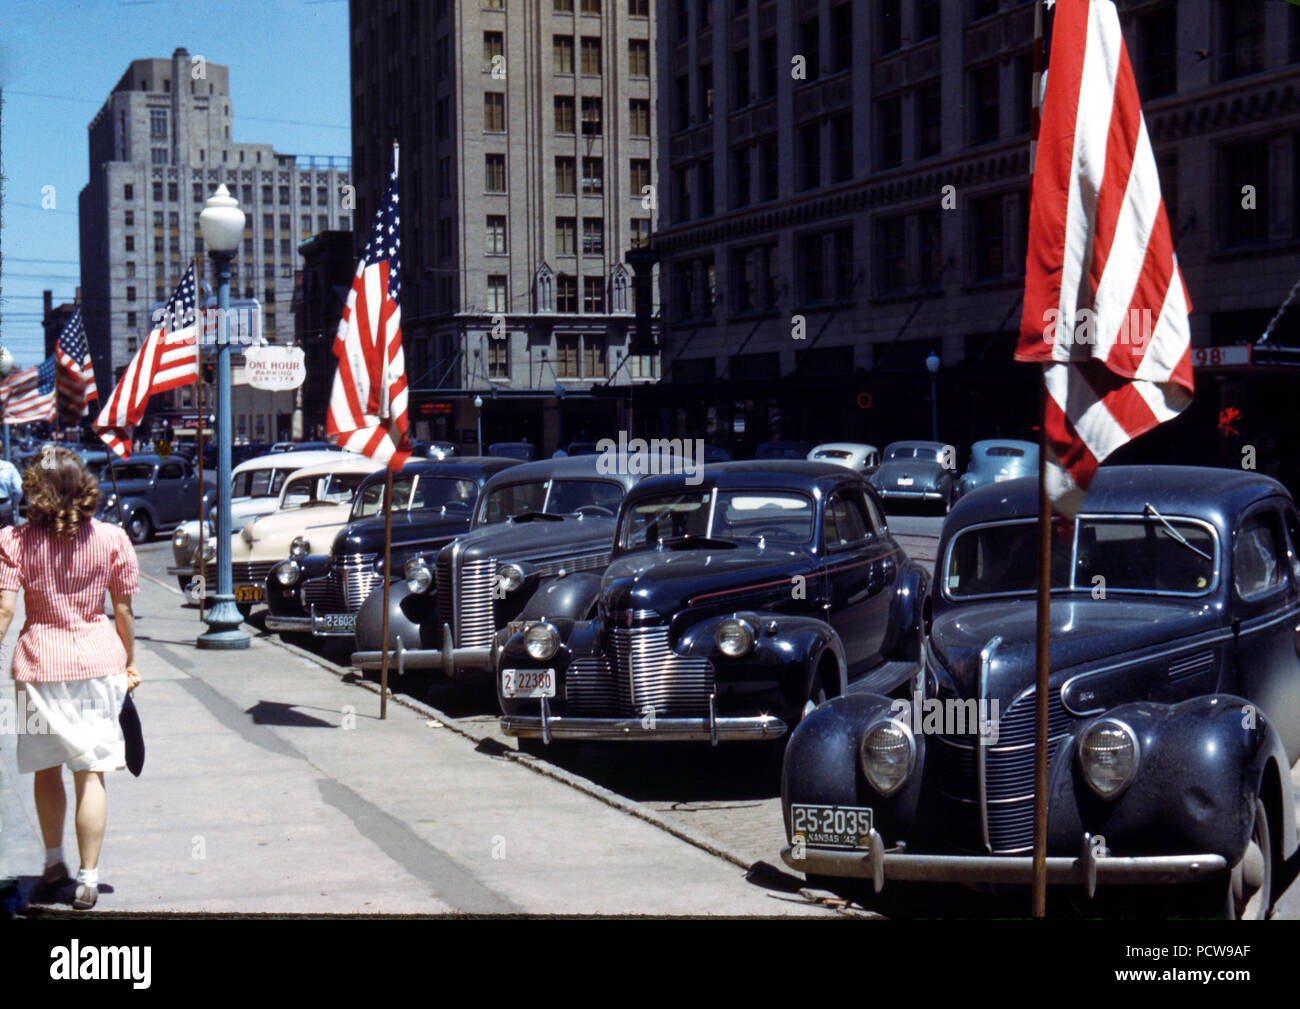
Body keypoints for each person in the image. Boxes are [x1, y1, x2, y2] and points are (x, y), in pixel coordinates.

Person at [0, 445, 140, 911]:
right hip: (99, 664)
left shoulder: (15, 542)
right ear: (84, 488)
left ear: (36, 492)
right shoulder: (113, 539)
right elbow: (122, 611)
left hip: (38, 666)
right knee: (91, 771)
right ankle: (89, 879)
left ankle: (54, 863)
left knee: (46, 767)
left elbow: (4, 609)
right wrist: (129, 662)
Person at [0, 455, 22, 527]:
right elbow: (18, 489)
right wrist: (13, 504)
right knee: (6, 536)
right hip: (4, 506)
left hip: (5, 506)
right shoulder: (9, 466)